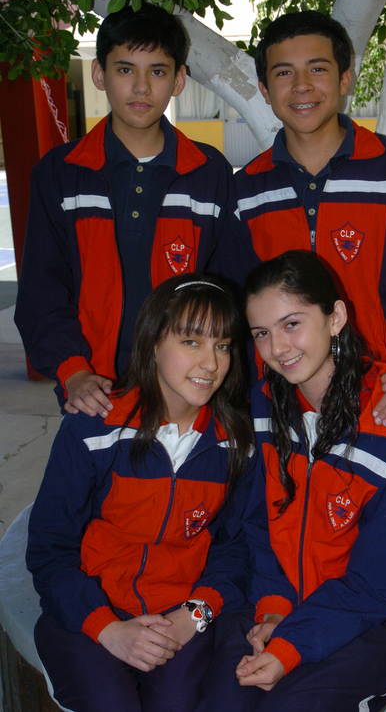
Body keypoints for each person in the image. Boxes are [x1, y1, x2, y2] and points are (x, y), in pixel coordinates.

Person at [196, 251, 386, 712]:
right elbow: (257, 523)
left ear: (336, 318)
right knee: (223, 699)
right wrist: (274, 607)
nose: (278, 348)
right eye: (261, 333)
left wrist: (291, 644)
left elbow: (379, 584)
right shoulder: (265, 404)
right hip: (275, 600)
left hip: (372, 620)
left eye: (292, 324)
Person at [26, 274, 254, 712]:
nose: (211, 363)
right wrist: (106, 628)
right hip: (90, 611)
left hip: (181, 615)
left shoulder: (237, 443)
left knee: (179, 703)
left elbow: (239, 546)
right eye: (191, 341)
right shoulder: (95, 427)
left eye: (223, 345)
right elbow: (49, 549)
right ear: (152, 343)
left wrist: (196, 613)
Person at [232, 10, 386, 427]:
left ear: (345, 79)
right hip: (280, 404)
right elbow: (233, 306)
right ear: (265, 90)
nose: (302, 85)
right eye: (284, 72)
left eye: (318, 68)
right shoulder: (246, 191)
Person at [15, 2, 237, 418]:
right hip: (93, 394)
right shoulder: (60, 173)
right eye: (124, 69)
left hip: (190, 394)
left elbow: (230, 288)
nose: (141, 87)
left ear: (179, 80)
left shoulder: (209, 172)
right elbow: (41, 292)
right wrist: (73, 371)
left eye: (158, 72)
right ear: (99, 74)